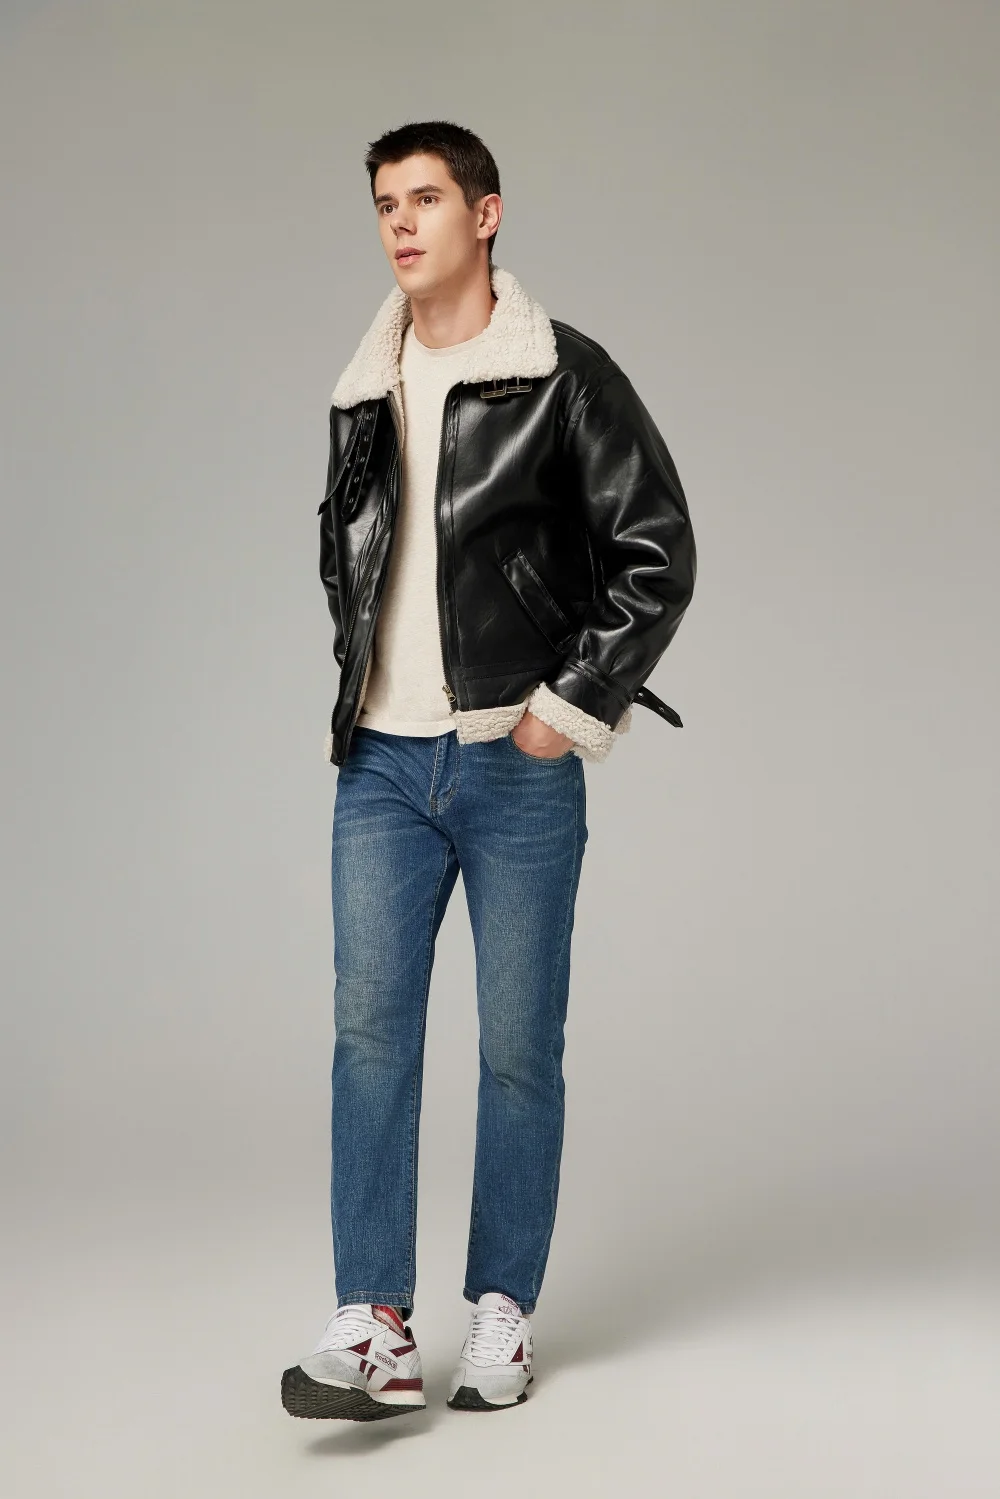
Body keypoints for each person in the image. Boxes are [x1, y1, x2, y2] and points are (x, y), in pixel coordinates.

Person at [281, 120, 696, 1423]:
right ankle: (376, 1324)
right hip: (381, 766)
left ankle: (502, 1307)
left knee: (519, 1049)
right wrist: (365, 684)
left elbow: (657, 550)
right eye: (385, 204)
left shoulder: (560, 375)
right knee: (368, 1040)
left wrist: (563, 711)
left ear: (487, 212)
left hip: (514, 765)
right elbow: (347, 560)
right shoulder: (364, 387)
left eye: (425, 198)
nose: (402, 224)